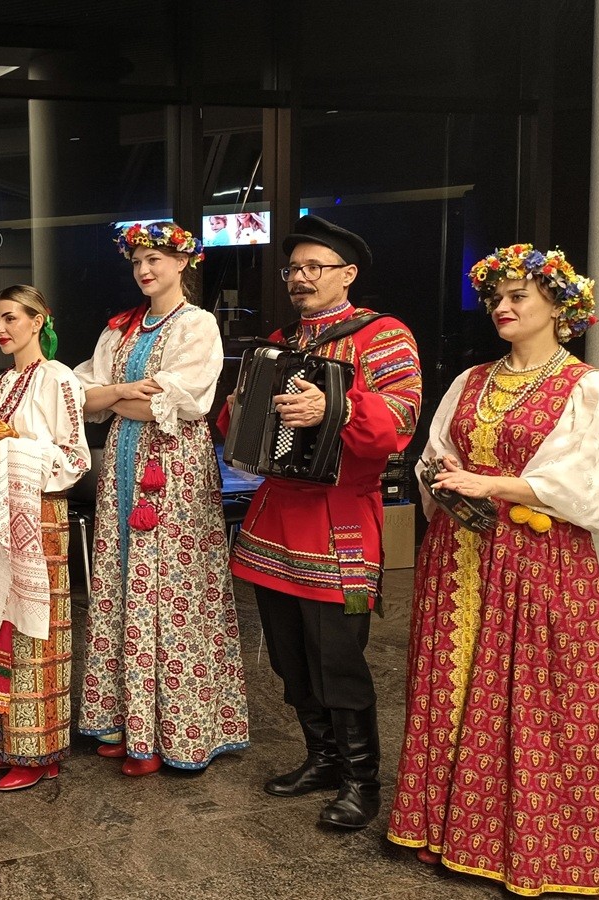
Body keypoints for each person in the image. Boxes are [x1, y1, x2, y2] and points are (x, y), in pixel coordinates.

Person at [387, 245, 599, 895]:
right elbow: (435, 453)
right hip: (459, 553)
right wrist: (446, 474)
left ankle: (525, 847)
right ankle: (445, 830)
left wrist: (491, 482)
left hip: (540, 562)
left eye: (519, 295)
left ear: (559, 305)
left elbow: (592, 486)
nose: (503, 306)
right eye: (497, 297)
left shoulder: (587, 387)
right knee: (449, 683)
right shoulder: (471, 381)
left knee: (531, 697)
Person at [220, 214, 422, 829]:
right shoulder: (280, 341)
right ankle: (323, 759)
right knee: (288, 656)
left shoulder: (383, 335)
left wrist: (334, 405)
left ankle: (362, 780)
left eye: (314, 267)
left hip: (343, 529)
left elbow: (402, 418)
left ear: (348, 274)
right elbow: (243, 431)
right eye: (294, 269)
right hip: (273, 524)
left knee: (339, 657)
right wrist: (239, 408)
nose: (300, 278)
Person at [75, 221, 251, 775]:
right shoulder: (121, 329)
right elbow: (81, 395)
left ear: (182, 263)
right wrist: (123, 392)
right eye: (137, 262)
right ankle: (127, 722)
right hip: (122, 467)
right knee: (122, 582)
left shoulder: (197, 325)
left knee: (172, 588)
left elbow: (180, 402)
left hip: (175, 470)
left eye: (154, 259)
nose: (144, 270)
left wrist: (115, 397)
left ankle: (174, 730)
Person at [0, 285, 89, 790]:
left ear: (38, 321)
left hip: (40, 514)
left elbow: (76, 457)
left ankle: (40, 751)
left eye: (11, 318)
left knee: (37, 630)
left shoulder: (58, 378)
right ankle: (9, 742)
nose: (0, 329)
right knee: (2, 621)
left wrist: (20, 449)